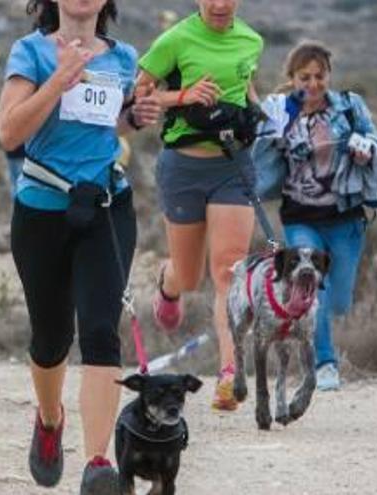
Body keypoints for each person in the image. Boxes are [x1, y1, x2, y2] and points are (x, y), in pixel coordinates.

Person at [0, 1, 159, 493]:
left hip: (106, 206)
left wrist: (135, 115)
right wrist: (58, 80)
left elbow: (105, 122)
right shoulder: (30, 52)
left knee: (99, 329)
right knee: (50, 340)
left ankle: (98, 464)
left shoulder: (124, 57)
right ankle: (49, 420)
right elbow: (9, 132)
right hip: (42, 210)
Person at [134, 0, 264, 411]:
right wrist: (185, 96)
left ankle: (230, 373)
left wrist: (255, 114)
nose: (221, 4)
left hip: (232, 166)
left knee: (229, 270)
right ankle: (168, 283)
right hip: (183, 168)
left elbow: (245, 85)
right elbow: (140, 92)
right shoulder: (175, 39)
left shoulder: (251, 40)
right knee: (189, 277)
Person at [253, 41, 377, 391]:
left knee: (338, 301)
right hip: (299, 217)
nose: (313, 83)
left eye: (320, 76)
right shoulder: (279, 110)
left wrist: (365, 149)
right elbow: (258, 146)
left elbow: (375, 141)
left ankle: (324, 333)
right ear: (291, 78)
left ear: (329, 76)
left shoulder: (349, 106)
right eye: (304, 77)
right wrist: (276, 142)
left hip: (346, 218)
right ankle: (325, 363)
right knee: (311, 286)